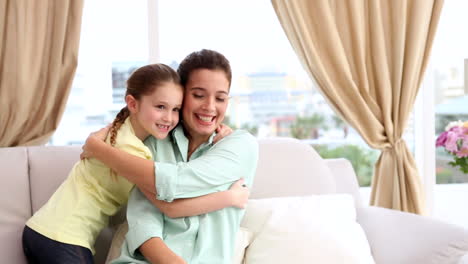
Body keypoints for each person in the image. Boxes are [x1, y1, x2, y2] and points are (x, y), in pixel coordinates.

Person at [22, 63, 247, 264]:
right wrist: (229, 198)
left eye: (175, 109)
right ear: (132, 103)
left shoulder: (116, 132)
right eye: (160, 107)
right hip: (61, 236)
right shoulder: (134, 152)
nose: (169, 118)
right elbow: (169, 206)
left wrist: (215, 129)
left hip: (45, 230)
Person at [81, 49, 259, 263]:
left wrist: (99, 149)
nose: (210, 106)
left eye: (220, 98)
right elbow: (143, 220)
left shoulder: (240, 145)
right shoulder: (154, 142)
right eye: (199, 95)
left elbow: (175, 181)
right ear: (181, 96)